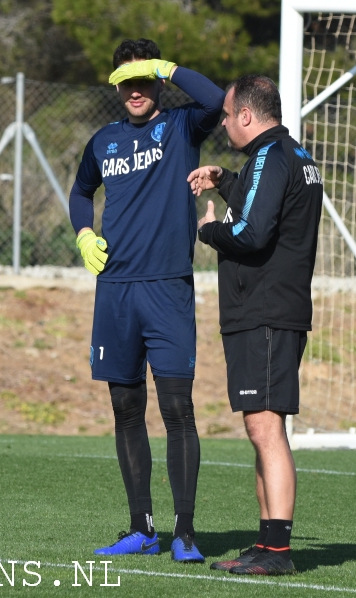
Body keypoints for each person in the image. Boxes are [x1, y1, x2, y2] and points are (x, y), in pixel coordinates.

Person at [69, 38, 224, 563]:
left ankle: (185, 532)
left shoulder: (181, 126)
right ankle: (142, 528)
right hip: (114, 291)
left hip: (167, 287)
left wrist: (169, 66)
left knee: (178, 408)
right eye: (125, 80)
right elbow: (79, 193)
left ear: (156, 80)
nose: (135, 90)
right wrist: (84, 234)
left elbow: (218, 100)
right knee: (125, 408)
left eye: (144, 79)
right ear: (116, 84)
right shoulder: (103, 140)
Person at [188, 75, 323, 575]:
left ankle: (279, 551)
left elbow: (253, 231)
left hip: (265, 309)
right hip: (276, 307)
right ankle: (265, 545)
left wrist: (210, 231)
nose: (223, 123)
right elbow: (265, 206)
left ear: (246, 115)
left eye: (226, 115)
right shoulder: (297, 157)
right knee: (261, 426)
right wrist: (227, 181)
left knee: (267, 429)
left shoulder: (270, 156)